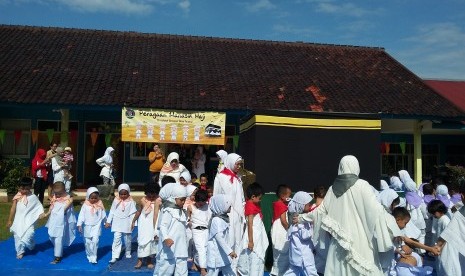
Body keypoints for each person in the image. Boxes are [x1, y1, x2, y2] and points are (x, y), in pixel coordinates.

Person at [298, 155, 401, 275]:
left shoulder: (332, 189)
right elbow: (377, 210)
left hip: (339, 242)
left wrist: (301, 218)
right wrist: (394, 230)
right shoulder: (362, 185)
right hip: (360, 239)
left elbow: (319, 211)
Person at [213, 153, 246, 273]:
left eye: (239, 164)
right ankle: (225, 269)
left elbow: (241, 197)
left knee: (237, 240)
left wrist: (243, 209)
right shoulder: (221, 177)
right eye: (237, 164)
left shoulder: (238, 178)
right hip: (226, 213)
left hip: (237, 214)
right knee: (228, 240)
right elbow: (216, 196)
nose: (238, 167)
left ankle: (233, 268)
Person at [153, 183, 188, 276]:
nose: (183, 202)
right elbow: (163, 226)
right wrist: (166, 238)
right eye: (181, 200)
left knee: (182, 270)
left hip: (182, 246)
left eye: (185, 200)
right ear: (174, 198)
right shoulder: (168, 210)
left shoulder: (182, 211)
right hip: (170, 246)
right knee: (166, 269)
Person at [7, 177, 45, 259]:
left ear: (30, 187)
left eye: (26, 189)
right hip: (18, 220)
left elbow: (38, 206)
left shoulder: (33, 197)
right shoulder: (17, 197)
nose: (23, 191)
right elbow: (13, 208)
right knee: (17, 236)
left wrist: (41, 213)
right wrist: (10, 220)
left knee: (29, 234)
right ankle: (20, 251)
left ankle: (30, 243)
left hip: (29, 220)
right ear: (19, 187)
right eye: (22, 189)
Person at [237, 183, 268, 276]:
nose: (260, 200)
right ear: (253, 197)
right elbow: (250, 225)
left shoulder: (254, 204)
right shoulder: (250, 206)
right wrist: (251, 241)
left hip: (257, 234)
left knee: (257, 259)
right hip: (254, 236)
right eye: (259, 198)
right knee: (254, 258)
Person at [283, 191, 318, 276]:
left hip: (298, 253)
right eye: (308, 204)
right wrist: (314, 229)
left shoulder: (298, 218)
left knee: (293, 271)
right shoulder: (298, 221)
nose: (310, 206)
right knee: (311, 272)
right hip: (304, 255)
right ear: (301, 205)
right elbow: (305, 236)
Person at [434, 182, 465, 275]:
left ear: (462, 196)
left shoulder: (460, 212)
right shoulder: (461, 211)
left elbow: (449, 232)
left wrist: (438, 246)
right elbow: (450, 231)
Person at [44, 181, 76, 264]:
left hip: (62, 222)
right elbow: (52, 207)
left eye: (59, 193)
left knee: (58, 237)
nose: (57, 195)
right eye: (56, 193)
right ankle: (59, 250)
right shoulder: (55, 197)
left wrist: (68, 203)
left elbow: (64, 209)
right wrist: (46, 214)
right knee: (51, 236)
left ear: (64, 191)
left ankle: (57, 256)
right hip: (53, 220)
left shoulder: (68, 198)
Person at [105, 183, 137, 264]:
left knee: (127, 238)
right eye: (121, 194)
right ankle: (114, 256)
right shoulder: (116, 200)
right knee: (116, 239)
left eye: (125, 194)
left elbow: (133, 213)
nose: (123, 196)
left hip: (127, 222)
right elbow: (112, 211)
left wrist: (133, 223)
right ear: (118, 193)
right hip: (117, 222)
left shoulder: (131, 201)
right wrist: (108, 221)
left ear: (128, 193)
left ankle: (128, 251)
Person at [131, 183, 161, 269]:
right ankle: (139, 260)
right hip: (144, 224)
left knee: (152, 241)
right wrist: (133, 221)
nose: (151, 197)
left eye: (154, 194)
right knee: (142, 241)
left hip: (154, 224)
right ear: (146, 193)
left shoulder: (159, 200)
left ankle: (149, 260)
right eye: (149, 194)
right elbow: (138, 212)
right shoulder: (142, 200)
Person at [207, 194, 237, 276]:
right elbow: (219, 237)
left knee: (229, 270)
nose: (230, 207)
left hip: (223, 252)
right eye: (228, 206)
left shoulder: (223, 218)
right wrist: (229, 251)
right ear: (221, 205)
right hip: (216, 253)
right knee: (213, 272)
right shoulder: (216, 220)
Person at [77, 187, 106, 264]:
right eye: (92, 198)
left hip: (97, 225)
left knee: (95, 241)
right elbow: (81, 215)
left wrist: (105, 222)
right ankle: (89, 254)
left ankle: (94, 256)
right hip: (87, 226)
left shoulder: (99, 204)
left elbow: (103, 214)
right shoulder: (85, 205)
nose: (93, 200)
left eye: (95, 198)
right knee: (87, 242)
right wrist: (79, 224)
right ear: (88, 197)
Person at [399, 170, 427, 251]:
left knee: (412, 237)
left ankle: (414, 251)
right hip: (421, 222)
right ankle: (422, 251)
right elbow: (424, 210)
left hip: (410, 222)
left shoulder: (404, 199)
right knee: (422, 236)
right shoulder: (419, 198)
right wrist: (425, 217)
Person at [188, 189, 211, 276]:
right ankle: (202, 269)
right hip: (196, 231)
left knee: (205, 250)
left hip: (206, 230)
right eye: (199, 202)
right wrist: (189, 222)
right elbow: (188, 219)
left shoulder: (208, 206)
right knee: (201, 248)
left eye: (203, 202)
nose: (201, 204)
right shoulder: (190, 207)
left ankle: (197, 264)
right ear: (196, 200)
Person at [270, 184, 292, 276]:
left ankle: (276, 271)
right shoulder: (282, 205)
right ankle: (280, 272)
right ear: (283, 196)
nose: (289, 197)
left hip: (276, 228)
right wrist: (290, 229)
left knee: (277, 254)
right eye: (288, 195)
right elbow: (283, 221)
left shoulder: (277, 204)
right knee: (282, 251)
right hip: (280, 230)